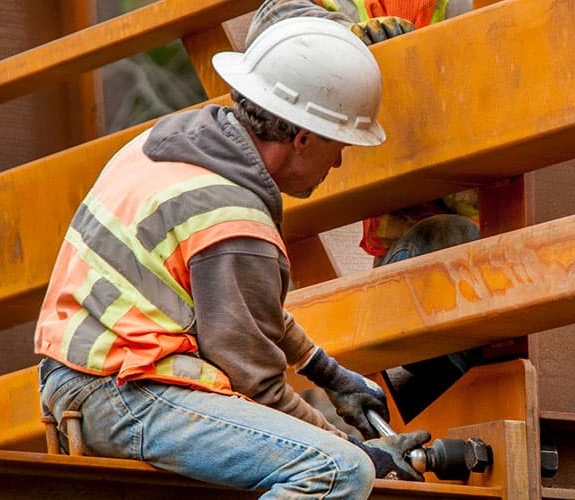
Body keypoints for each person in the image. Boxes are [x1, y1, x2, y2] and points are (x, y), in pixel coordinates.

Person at [32, 16, 429, 499]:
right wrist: (355, 448)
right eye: (337, 145)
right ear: (302, 139)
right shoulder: (234, 219)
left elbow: (240, 305)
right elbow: (259, 386)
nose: (339, 162)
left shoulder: (171, 145)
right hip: (125, 394)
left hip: (91, 380)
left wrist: (326, 372)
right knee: (338, 471)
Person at [248, 0, 486, 426]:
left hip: (488, 214)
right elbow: (271, 26)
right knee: (440, 249)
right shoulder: (343, 5)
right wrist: (342, 39)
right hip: (420, 241)